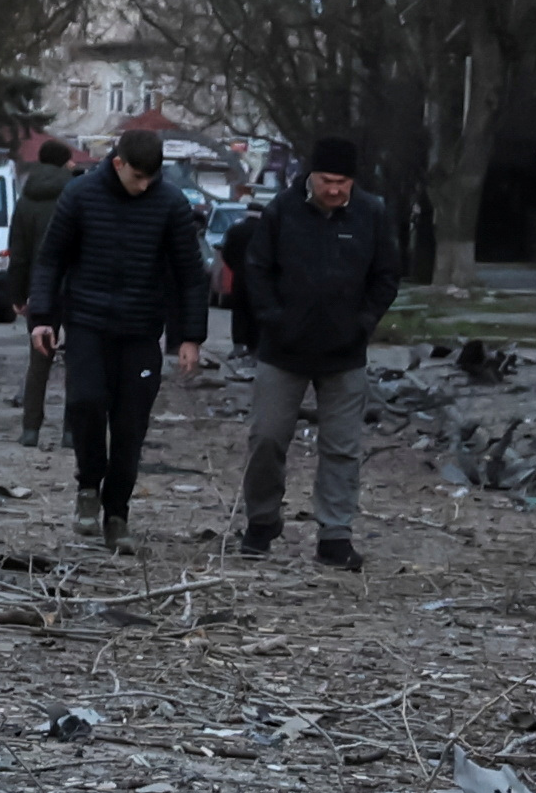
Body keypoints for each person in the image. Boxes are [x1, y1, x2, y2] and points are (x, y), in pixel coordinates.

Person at [223, 136, 400, 569]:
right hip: (283, 350)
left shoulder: (371, 213)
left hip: (344, 353)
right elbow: (256, 270)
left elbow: (386, 275)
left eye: (343, 182)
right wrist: (274, 319)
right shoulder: (282, 211)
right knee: (266, 438)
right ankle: (262, 521)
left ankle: (335, 535)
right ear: (311, 176)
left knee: (342, 447)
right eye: (327, 181)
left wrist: (362, 323)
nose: (335, 189)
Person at [26, 130, 205, 552]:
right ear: (118, 163)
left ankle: (117, 514)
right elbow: (51, 259)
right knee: (86, 403)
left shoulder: (170, 204)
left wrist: (189, 337)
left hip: (141, 329)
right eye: (138, 176)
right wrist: (43, 318)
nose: (145, 185)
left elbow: (190, 275)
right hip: (88, 324)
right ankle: (88, 485)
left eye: (152, 177)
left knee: (130, 426)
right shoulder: (80, 195)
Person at [10, 139, 76, 446]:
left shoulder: (26, 198)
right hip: (76, 287)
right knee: (78, 360)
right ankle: (71, 431)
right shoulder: (77, 194)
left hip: (39, 288)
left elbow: (19, 253)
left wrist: (18, 294)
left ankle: (30, 429)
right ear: (65, 163)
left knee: (39, 359)